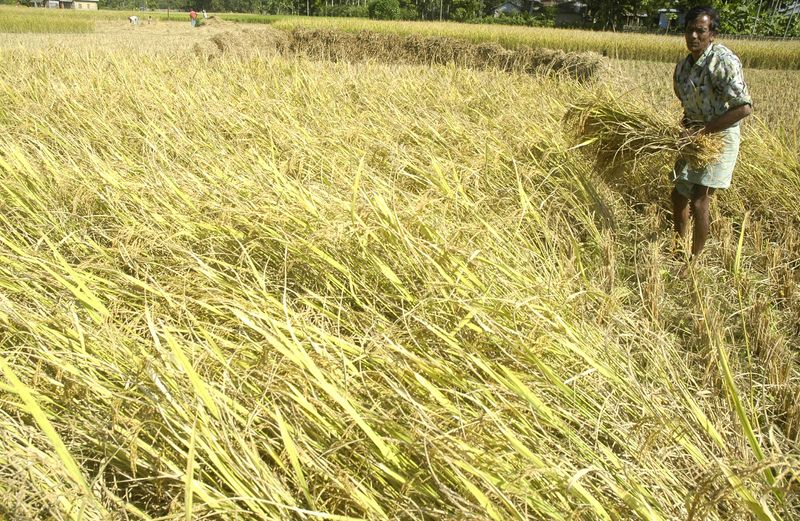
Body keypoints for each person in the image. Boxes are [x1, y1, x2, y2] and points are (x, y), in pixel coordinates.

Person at [671, 6, 752, 260]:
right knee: (677, 194)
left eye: (700, 30)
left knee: (699, 200)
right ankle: (679, 247)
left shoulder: (723, 61)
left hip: (719, 137)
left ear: (712, 34)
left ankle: (694, 261)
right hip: (694, 135)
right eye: (689, 30)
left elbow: (744, 107)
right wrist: (685, 129)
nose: (693, 36)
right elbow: (685, 102)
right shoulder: (683, 66)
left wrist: (704, 131)